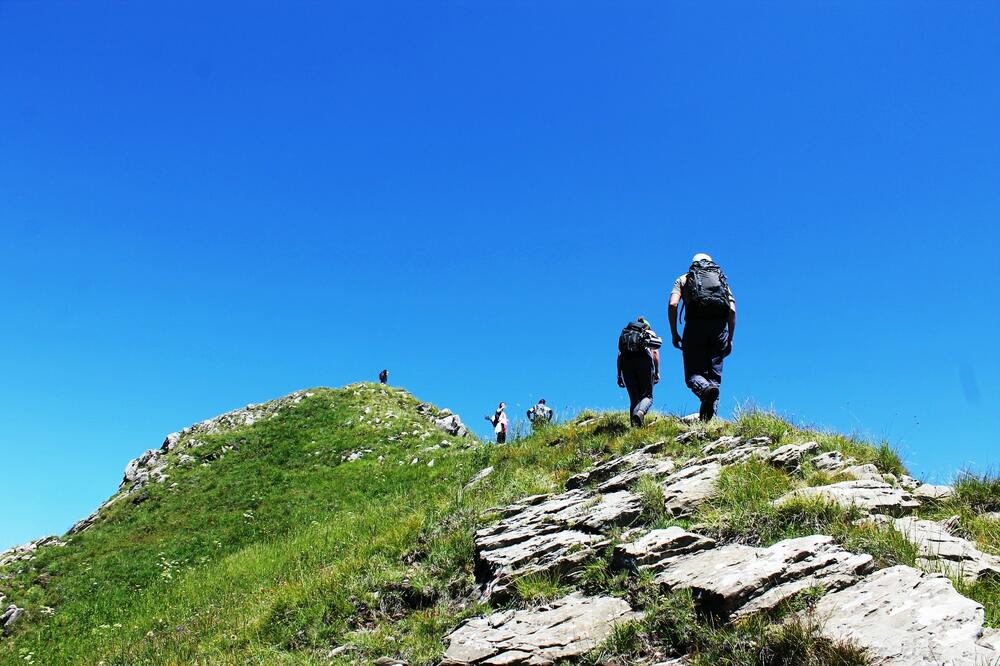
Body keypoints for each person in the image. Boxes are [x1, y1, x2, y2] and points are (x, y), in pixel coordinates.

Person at [667, 253, 736, 422]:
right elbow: (732, 310)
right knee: (715, 378)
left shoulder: (684, 278)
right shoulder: (721, 279)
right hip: (720, 329)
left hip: (694, 327)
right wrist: (730, 339)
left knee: (693, 374)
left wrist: (674, 332)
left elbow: (673, 304)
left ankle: (704, 390)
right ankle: (709, 421)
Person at [617, 316, 662, 427]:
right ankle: (640, 413)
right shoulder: (648, 331)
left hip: (627, 364)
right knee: (648, 396)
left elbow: (620, 355)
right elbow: (655, 353)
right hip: (644, 363)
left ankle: (635, 428)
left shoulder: (625, 334)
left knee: (634, 399)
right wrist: (657, 371)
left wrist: (619, 375)